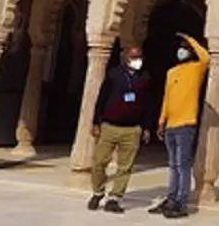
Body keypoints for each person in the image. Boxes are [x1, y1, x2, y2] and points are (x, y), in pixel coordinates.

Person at [151, 32, 209, 219]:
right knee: (173, 165)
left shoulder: (196, 69)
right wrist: (161, 121)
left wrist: (191, 40)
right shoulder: (172, 72)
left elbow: (206, 57)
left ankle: (181, 203)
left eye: (185, 48)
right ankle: (171, 199)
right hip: (171, 125)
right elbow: (166, 98)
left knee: (183, 165)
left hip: (186, 124)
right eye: (180, 47)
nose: (181, 51)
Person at [88, 45, 152, 214]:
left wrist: (146, 127)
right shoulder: (114, 74)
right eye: (133, 57)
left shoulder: (144, 77)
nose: (136, 60)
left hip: (131, 129)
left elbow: (147, 104)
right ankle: (98, 191)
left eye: (139, 57)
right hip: (110, 125)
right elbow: (102, 98)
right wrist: (96, 122)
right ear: (126, 58)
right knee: (99, 162)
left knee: (125, 166)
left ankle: (115, 197)